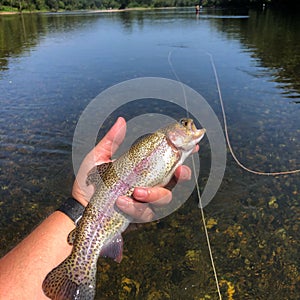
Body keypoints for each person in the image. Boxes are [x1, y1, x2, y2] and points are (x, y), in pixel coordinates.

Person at [0, 117, 197, 299]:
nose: (188, 125)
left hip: (97, 212)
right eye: (184, 124)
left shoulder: (170, 148)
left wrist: (78, 206)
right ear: (172, 135)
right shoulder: (166, 146)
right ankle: (79, 273)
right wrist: (82, 203)